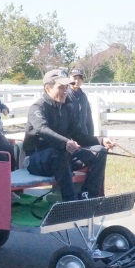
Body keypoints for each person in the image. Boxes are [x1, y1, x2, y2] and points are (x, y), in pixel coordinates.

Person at [23, 69, 116, 202]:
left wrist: (101, 140)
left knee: (100, 151)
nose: (65, 91)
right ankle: (71, 202)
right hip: (37, 160)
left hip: (62, 158)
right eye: (61, 87)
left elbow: (79, 135)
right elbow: (42, 129)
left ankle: (88, 196)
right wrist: (65, 142)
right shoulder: (37, 108)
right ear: (48, 88)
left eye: (66, 87)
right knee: (58, 152)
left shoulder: (66, 108)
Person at [67, 68, 94, 136]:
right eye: (74, 78)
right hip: (69, 136)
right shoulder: (64, 95)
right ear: (69, 78)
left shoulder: (83, 96)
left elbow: (88, 117)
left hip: (84, 134)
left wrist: (91, 135)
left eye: (79, 78)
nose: (77, 80)